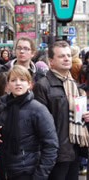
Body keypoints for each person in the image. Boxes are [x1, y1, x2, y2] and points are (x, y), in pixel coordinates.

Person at [33, 41, 89, 180]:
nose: (67, 59)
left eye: (69, 55)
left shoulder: (73, 84)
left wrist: (85, 116)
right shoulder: (43, 85)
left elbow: (75, 114)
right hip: (55, 153)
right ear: (51, 61)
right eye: (61, 56)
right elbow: (40, 123)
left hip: (75, 148)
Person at [0, 65, 58, 180]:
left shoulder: (38, 110)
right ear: (7, 85)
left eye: (22, 80)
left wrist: (40, 176)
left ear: (29, 84)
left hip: (28, 171)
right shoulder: (2, 109)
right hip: (4, 170)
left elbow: (51, 145)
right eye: (13, 80)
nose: (18, 83)